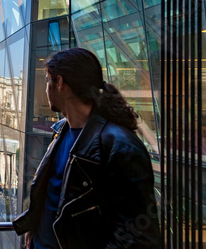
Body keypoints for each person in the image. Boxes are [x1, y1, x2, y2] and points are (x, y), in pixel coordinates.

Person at [13, 48, 159, 248]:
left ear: (61, 83)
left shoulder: (121, 146)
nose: (46, 88)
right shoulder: (62, 130)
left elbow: (138, 237)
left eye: (48, 80)